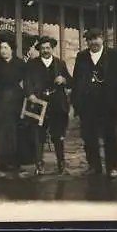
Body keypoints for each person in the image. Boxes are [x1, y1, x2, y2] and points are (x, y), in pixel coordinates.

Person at [71, 28, 117, 180]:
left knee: (110, 135)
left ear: (102, 38)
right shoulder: (81, 57)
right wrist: (76, 104)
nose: (93, 42)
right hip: (88, 105)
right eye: (90, 39)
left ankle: (112, 167)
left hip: (109, 104)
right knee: (89, 136)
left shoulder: (114, 56)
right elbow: (76, 80)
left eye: (96, 38)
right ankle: (94, 166)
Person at [24, 36, 73, 175]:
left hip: (57, 104)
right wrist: (30, 95)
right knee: (38, 135)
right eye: (43, 48)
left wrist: (63, 79)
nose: (45, 50)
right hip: (39, 104)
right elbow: (27, 82)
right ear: (39, 49)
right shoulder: (32, 64)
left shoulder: (60, 63)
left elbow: (70, 81)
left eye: (48, 48)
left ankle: (61, 164)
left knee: (58, 135)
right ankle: (39, 165)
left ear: (52, 49)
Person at [0, 38, 28, 173]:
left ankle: (16, 162)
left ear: (12, 49)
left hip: (16, 99)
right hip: (0, 99)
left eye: (5, 48)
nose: (2, 51)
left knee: (16, 131)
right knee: (1, 131)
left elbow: (27, 80)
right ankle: (2, 162)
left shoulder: (20, 63)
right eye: (1, 48)